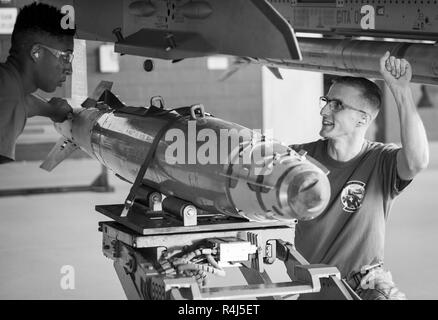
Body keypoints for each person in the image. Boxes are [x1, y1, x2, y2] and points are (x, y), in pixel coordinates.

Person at [291, 52, 429, 300]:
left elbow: (417, 160)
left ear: (362, 119)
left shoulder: (381, 162)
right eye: (326, 101)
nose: (324, 109)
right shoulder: (299, 158)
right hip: (309, 292)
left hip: (361, 289)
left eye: (337, 105)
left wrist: (401, 92)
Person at [0, 2, 75, 164]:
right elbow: (14, 103)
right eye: (65, 57)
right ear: (36, 53)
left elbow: (24, 102)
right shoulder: (9, 99)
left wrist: (51, 110)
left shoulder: (7, 83)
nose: (69, 69)